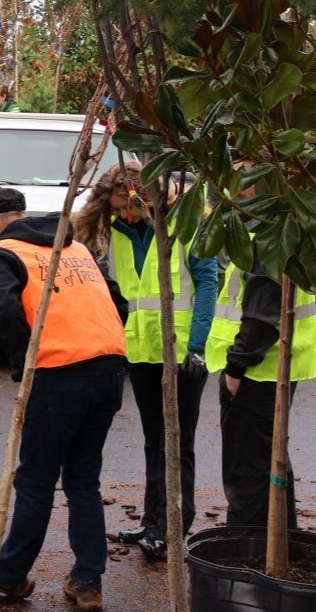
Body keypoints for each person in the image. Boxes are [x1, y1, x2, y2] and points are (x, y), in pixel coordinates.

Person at [0, 188, 128, 612]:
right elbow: (117, 300)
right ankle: (88, 581)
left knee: (36, 480)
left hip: (57, 375)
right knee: (83, 480)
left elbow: (3, 312)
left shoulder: (4, 253)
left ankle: (9, 575)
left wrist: (24, 367)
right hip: (107, 369)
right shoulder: (73, 246)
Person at [73, 162, 217, 562]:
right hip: (141, 350)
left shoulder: (185, 225)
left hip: (183, 350)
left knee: (178, 442)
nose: (125, 215)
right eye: (117, 209)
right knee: (154, 439)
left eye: (129, 207)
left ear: (147, 198)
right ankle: (154, 520)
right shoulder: (118, 233)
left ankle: (173, 526)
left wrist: (198, 346)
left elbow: (207, 283)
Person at [205, 155, 314, 529]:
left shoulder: (266, 233)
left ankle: (250, 549)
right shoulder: (288, 224)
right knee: (271, 460)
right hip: (278, 365)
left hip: (257, 369)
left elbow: (261, 315)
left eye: (239, 179)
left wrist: (237, 366)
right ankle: (280, 542)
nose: (230, 188)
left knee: (248, 468)